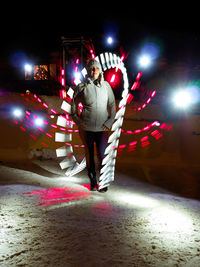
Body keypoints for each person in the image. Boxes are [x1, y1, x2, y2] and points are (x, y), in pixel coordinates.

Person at [71, 59, 116, 192]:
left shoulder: (106, 86)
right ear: (88, 71)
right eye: (91, 68)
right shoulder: (81, 86)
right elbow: (73, 108)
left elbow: (112, 106)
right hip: (87, 129)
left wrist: (109, 122)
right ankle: (92, 179)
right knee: (90, 155)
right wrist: (79, 122)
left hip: (102, 129)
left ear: (100, 70)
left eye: (96, 68)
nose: (94, 71)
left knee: (102, 154)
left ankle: (102, 181)